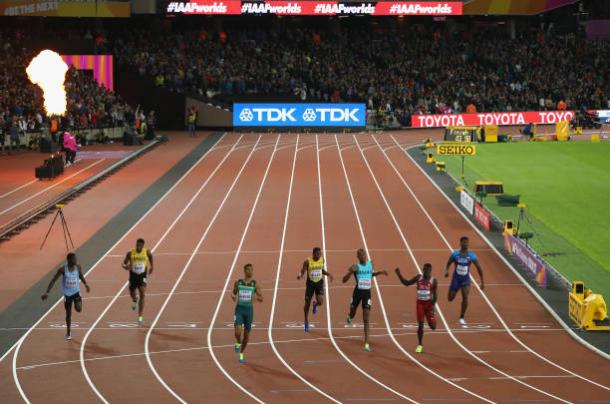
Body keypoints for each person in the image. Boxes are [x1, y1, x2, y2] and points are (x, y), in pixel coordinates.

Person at [342, 249, 388, 351]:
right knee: (353, 313)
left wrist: (380, 272)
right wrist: (350, 272)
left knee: (366, 318)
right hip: (357, 293)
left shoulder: (370, 264)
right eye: (361, 255)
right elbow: (343, 280)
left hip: (367, 294)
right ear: (358, 257)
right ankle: (350, 316)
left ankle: (367, 343)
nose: (363, 256)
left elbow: (370, 274)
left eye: (364, 254)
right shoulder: (356, 267)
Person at [41, 252, 91, 340]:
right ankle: (68, 332)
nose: (76, 260)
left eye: (76, 258)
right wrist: (47, 292)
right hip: (67, 294)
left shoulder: (78, 266)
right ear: (69, 260)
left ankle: (78, 300)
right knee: (68, 314)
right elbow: (53, 280)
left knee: (79, 309)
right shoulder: (62, 269)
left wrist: (86, 284)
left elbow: (80, 275)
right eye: (74, 259)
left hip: (76, 292)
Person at [395, 263, 438, 353]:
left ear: (430, 271)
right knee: (421, 325)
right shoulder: (418, 278)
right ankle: (420, 344)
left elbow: (436, 295)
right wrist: (399, 275)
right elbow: (406, 283)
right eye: (425, 270)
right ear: (423, 270)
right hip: (420, 305)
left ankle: (431, 318)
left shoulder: (434, 281)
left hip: (429, 305)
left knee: (433, 327)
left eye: (429, 271)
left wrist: (433, 306)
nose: (427, 272)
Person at [445, 236, 484, 325]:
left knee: (465, 297)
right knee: (450, 298)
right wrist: (446, 271)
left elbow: (479, 268)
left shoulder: (471, 256)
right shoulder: (455, 254)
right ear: (461, 243)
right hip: (456, 279)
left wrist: (482, 282)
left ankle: (462, 317)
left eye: (467, 242)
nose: (466, 244)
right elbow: (448, 263)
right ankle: (455, 289)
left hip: (465, 279)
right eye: (464, 242)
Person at [232, 263, 263, 363]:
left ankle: (241, 353)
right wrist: (233, 296)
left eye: (252, 270)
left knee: (246, 335)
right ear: (244, 271)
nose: (250, 271)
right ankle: (237, 342)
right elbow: (234, 292)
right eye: (248, 270)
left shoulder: (255, 284)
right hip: (239, 310)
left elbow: (261, 298)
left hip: (249, 312)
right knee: (237, 332)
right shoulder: (238, 282)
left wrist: (256, 298)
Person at [297, 247, 334, 332]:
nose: (319, 255)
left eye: (320, 253)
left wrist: (328, 274)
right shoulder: (307, 261)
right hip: (310, 283)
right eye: (317, 254)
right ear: (313, 254)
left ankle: (315, 304)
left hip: (319, 283)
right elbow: (303, 270)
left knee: (320, 302)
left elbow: (321, 270)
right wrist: (300, 275)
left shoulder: (322, 260)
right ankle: (306, 321)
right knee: (307, 303)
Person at [122, 238, 154, 324]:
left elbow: (151, 257)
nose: (138, 247)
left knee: (142, 293)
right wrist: (125, 266)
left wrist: (152, 267)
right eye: (137, 245)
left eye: (140, 246)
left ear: (143, 246)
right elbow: (124, 263)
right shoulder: (130, 253)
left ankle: (140, 316)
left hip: (142, 275)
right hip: (133, 275)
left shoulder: (147, 252)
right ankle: (134, 299)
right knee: (132, 292)